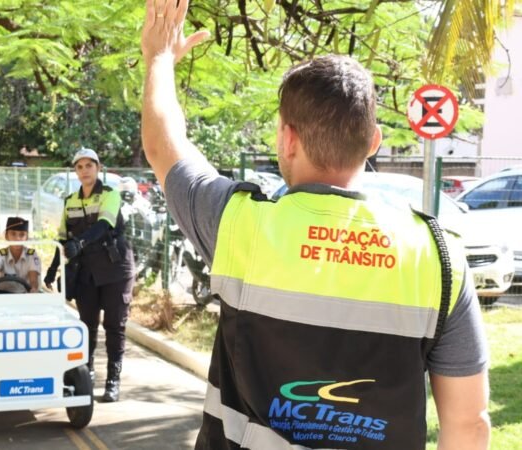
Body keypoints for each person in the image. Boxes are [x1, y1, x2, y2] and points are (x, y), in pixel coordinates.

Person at [140, 2, 490, 449]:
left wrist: (159, 58)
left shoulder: (237, 224)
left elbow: (164, 146)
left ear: (287, 138)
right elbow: (469, 426)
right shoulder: (438, 258)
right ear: (373, 141)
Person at [44, 148, 135, 403]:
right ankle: (87, 374)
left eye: (89, 165)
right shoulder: (69, 201)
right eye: (80, 166)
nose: (85, 170)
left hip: (115, 269)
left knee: (115, 326)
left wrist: (80, 244)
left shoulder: (110, 194)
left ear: (98, 168)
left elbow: (104, 225)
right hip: (86, 272)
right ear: (76, 171)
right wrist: (52, 269)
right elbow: (63, 239)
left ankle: (112, 382)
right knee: (87, 326)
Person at [0, 217, 41, 293]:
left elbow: (33, 277)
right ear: (6, 236)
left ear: (26, 237)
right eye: (13, 234)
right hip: (1, 295)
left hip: (24, 296)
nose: (17, 238)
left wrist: (34, 288)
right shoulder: (1, 254)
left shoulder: (32, 255)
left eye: (22, 235)